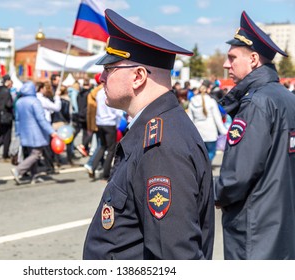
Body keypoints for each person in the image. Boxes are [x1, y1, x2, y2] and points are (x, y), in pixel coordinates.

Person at [83, 9, 215, 260]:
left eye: (109, 69)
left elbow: (175, 257)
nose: (101, 77)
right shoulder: (156, 130)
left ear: (138, 76)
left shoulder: (161, 146)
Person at [214, 11, 295, 260]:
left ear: (253, 59)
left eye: (232, 58)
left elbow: (237, 176)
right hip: (280, 224)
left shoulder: (256, 103)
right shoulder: (286, 97)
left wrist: (211, 194)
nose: (227, 65)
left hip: (255, 230)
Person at [10, 81, 57, 184]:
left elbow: (17, 119)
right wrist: (51, 132)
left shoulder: (19, 102)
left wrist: (18, 133)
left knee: (31, 154)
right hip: (36, 133)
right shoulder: (35, 102)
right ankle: (18, 170)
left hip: (24, 132)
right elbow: (41, 119)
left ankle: (34, 176)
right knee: (36, 154)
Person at [187, 84, 228, 162]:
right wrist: (223, 131)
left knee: (200, 154)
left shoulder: (192, 101)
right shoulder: (211, 101)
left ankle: (201, 167)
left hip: (198, 131)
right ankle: (206, 166)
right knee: (211, 152)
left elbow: (190, 118)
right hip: (210, 131)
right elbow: (217, 118)